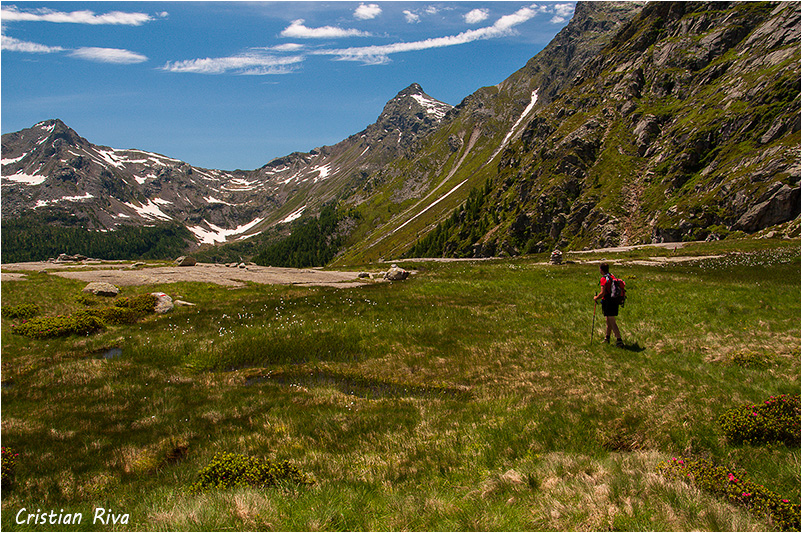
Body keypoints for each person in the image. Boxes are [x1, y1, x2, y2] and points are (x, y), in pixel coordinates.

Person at [593, 262, 624, 347]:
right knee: (608, 320)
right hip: (614, 300)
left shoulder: (604, 279)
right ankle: (607, 338)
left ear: (601, 269)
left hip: (608, 301)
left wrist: (596, 298)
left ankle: (619, 340)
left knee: (612, 321)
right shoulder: (612, 276)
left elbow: (602, 293)